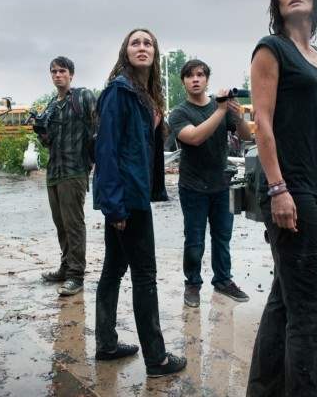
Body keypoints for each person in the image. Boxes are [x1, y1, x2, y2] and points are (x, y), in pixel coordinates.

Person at [246, 0, 317, 397]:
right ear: (277, 2)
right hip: (288, 190)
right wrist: (277, 188)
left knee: (286, 299)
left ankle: (264, 391)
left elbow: (313, 129)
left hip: (311, 186)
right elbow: (263, 124)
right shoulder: (272, 50)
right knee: (312, 303)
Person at [93, 28, 187, 377]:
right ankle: (157, 359)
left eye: (148, 43)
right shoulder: (119, 92)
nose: (142, 47)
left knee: (113, 269)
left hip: (131, 196)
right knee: (145, 276)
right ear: (126, 51)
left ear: (155, 53)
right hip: (127, 201)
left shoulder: (144, 94)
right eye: (136, 42)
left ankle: (106, 344)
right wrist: (114, 206)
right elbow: (106, 151)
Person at [168, 59, 252, 308]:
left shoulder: (221, 108)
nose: (195, 79)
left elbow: (246, 135)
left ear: (207, 79)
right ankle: (193, 284)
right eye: (190, 76)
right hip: (193, 187)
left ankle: (223, 281)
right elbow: (194, 138)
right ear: (183, 81)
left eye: (200, 75)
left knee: (222, 237)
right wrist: (221, 111)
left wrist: (237, 114)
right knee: (194, 241)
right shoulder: (180, 113)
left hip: (221, 184)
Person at [37, 56, 96, 296]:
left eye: (62, 71)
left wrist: (96, 159)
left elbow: (99, 126)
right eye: (54, 71)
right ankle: (65, 266)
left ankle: (76, 275)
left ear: (71, 74)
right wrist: (41, 131)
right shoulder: (51, 105)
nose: (58, 75)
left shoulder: (83, 97)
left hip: (75, 169)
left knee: (74, 225)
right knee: (60, 224)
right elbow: (48, 142)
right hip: (54, 171)